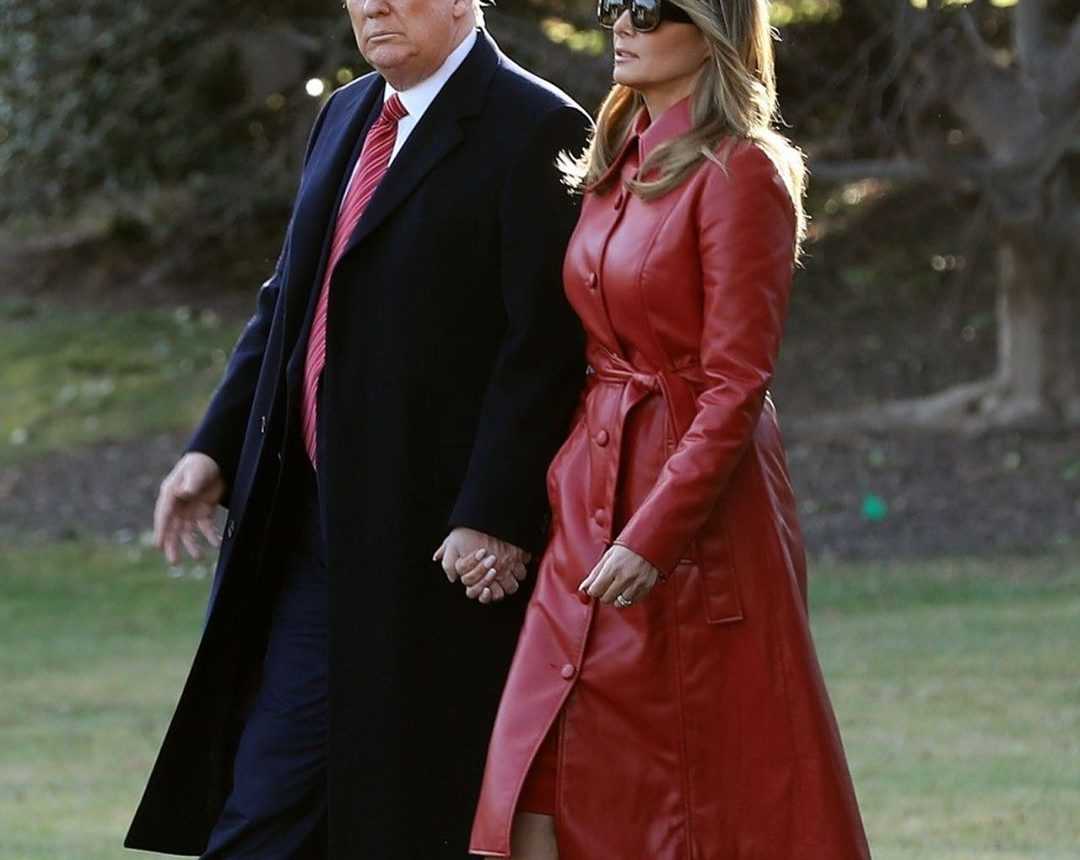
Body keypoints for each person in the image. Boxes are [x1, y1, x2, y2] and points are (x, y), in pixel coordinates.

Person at [124, 1, 591, 857]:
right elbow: (288, 299)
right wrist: (213, 446)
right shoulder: (345, 113)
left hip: (431, 550)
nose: (373, 5)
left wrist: (493, 511)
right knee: (269, 809)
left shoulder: (539, 125)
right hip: (302, 526)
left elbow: (546, 347)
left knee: (391, 816)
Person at [465, 1, 871, 857]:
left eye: (647, 9)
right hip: (587, 505)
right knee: (533, 780)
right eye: (612, 5)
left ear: (714, 27)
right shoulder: (615, 159)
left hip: (692, 526)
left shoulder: (742, 171)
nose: (621, 23)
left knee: (689, 799)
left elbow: (736, 385)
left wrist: (654, 534)